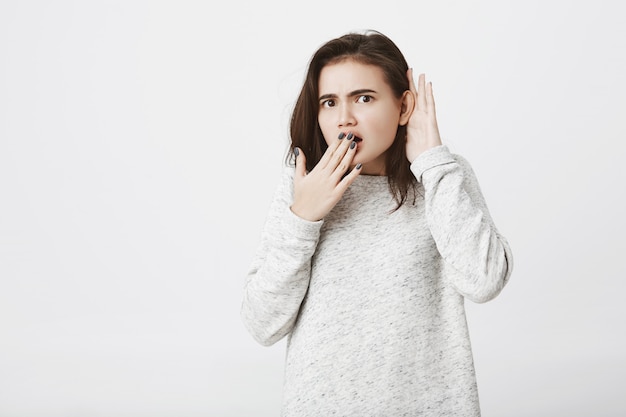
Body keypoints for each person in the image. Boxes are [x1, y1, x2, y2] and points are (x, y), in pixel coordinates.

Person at [240, 30, 513, 416]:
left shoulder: (441, 177)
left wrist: (432, 162)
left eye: (364, 98)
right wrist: (303, 218)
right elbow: (262, 324)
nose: (344, 119)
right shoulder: (302, 185)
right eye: (329, 102)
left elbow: (484, 281)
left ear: (404, 107)